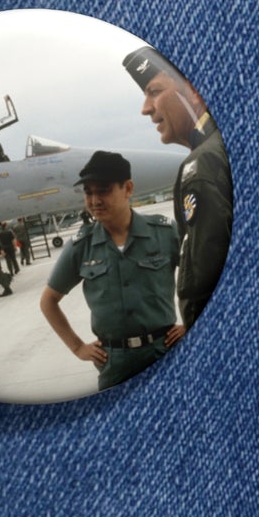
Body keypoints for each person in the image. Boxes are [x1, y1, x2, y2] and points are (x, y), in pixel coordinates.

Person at [39, 151, 182, 391]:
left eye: (103, 190)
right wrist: (77, 347)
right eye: (88, 192)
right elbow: (48, 301)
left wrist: (193, 322)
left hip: (165, 351)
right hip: (115, 365)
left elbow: (204, 278)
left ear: (127, 188)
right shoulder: (80, 246)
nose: (94, 200)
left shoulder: (165, 232)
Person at [123, 46, 233, 331]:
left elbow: (203, 282)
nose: (146, 108)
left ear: (195, 91)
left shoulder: (203, 163)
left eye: (154, 91)